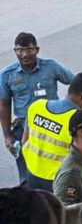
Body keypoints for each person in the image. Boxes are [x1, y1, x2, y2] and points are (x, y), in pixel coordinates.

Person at [0, 33, 74, 184]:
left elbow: (74, 82)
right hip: (22, 129)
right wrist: (7, 136)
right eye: (19, 50)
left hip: (50, 129)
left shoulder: (51, 67)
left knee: (55, 172)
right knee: (26, 176)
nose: (24, 54)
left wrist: (67, 107)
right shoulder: (7, 75)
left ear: (37, 49)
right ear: (15, 51)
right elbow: (4, 104)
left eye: (29, 49)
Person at [22, 73, 82, 191]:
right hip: (59, 180)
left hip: (32, 173)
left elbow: (25, 140)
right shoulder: (78, 121)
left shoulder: (36, 106)